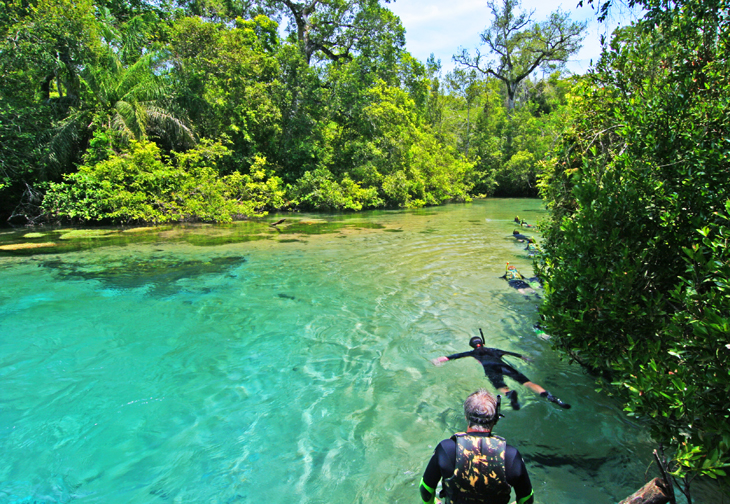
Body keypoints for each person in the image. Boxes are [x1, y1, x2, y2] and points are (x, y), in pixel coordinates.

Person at [419, 389, 534, 504]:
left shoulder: (447, 449)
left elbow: (426, 491)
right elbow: (527, 500)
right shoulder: (510, 456)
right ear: (495, 420)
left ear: (466, 417)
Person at [431, 330, 570, 410]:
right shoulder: (494, 350)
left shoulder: (472, 352)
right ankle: (549, 396)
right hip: (503, 365)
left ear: (472, 346)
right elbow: (513, 354)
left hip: (491, 369)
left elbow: (454, 356)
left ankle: (510, 394)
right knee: (527, 382)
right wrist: (526, 358)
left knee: (500, 386)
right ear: (483, 343)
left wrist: (438, 360)